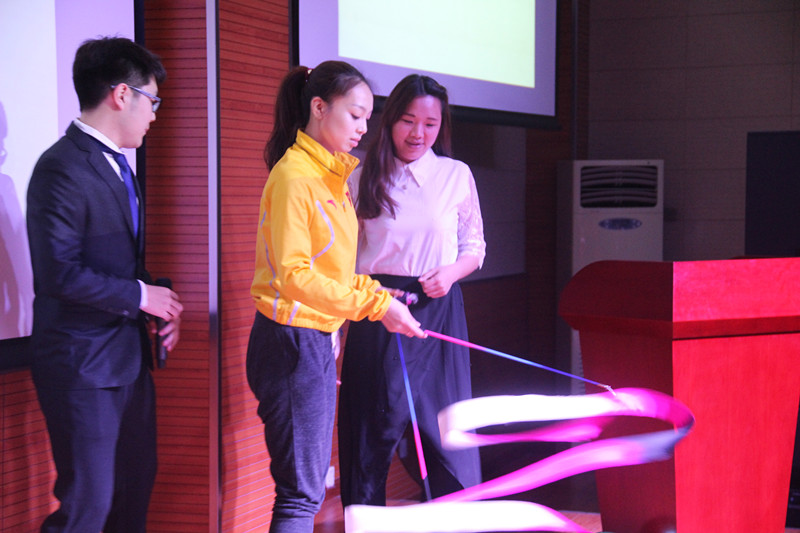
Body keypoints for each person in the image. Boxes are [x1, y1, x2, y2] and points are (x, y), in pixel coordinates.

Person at [246, 61, 426, 533]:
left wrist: (373, 291)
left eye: (368, 117)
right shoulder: (296, 176)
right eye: (355, 115)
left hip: (315, 338)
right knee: (301, 495)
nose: (363, 128)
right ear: (319, 107)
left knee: (304, 491)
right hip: (291, 340)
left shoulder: (332, 176)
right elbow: (293, 276)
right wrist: (376, 306)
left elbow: (334, 269)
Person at [26, 37, 183, 532]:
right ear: (121, 95)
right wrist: (140, 296)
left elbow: (116, 262)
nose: (154, 114)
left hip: (127, 361)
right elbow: (58, 271)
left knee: (131, 498)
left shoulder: (118, 164)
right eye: (152, 101)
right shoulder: (61, 167)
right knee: (86, 508)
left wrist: (157, 302)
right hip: (82, 365)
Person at [338, 74, 486, 506]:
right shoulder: (359, 175)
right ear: (389, 121)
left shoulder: (455, 174)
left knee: (446, 432)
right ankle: (364, 520)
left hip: (438, 305)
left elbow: (475, 247)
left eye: (430, 124)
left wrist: (452, 273)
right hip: (378, 308)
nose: (418, 133)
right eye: (408, 121)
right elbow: (344, 258)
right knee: (371, 430)